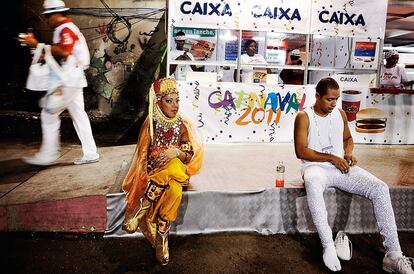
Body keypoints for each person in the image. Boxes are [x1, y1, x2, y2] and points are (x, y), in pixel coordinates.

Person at [293, 77, 414, 273]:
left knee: (380, 188)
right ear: (317, 96)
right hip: (315, 167)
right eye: (329, 99)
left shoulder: (340, 113)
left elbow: (348, 138)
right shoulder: (304, 116)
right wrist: (333, 158)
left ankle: (393, 255)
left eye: (336, 99)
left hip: (340, 166)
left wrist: (348, 153)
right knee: (313, 183)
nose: (334, 103)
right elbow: (301, 151)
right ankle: (328, 246)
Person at [121, 78, 203, 265]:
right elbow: (143, 154)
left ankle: (141, 210)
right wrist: (156, 162)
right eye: (169, 101)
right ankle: (162, 238)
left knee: (174, 164)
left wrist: (175, 152)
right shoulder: (151, 123)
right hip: (155, 171)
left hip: (176, 169)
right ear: (158, 102)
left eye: (177, 100)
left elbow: (188, 156)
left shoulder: (181, 124)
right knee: (174, 190)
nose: (175, 106)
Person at [19, 0, 99, 166]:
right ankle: (91, 153)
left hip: (67, 81)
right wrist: (37, 49)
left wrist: (38, 45)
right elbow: (59, 53)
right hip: (73, 79)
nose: (47, 20)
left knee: (49, 114)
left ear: (56, 14)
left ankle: (48, 154)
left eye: (48, 16)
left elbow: (64, 51)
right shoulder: (64, 29)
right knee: (79, 116)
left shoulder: (65, 29)